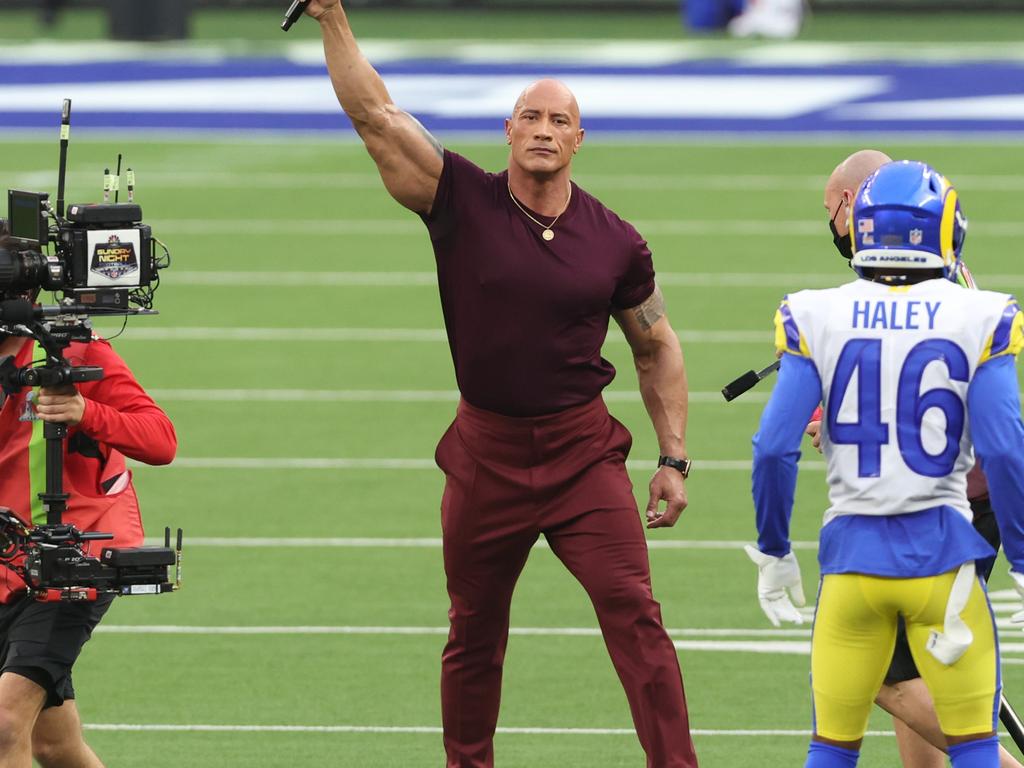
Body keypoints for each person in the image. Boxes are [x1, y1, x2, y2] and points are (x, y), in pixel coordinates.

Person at [307, 2, 699, 766]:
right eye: (531, 116)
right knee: (473, 631)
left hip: (582, 455)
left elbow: (656, 347)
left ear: (579, 140)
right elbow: (376, 116)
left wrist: (673, 457)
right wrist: (331, 16)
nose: (545, 128)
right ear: (509, 132)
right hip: (485, 454)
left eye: (560, 119)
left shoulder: (617, 241)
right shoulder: (462, 201)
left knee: (636, 616)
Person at [746, 160, 1024, 767]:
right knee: (931, 682)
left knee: (876, 694)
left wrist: (774, 550)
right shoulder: (965, 302)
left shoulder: (823, 309)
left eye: (831, 212)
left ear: (856, 209)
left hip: (905, 528)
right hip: (950, 530)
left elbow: (774, 446)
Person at [0, 234, 177, 768]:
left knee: (5, 726)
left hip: (72, 557)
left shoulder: (73, 347)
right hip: (8, 559)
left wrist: (84, 412)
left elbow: (160, 439)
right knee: (54, 745)